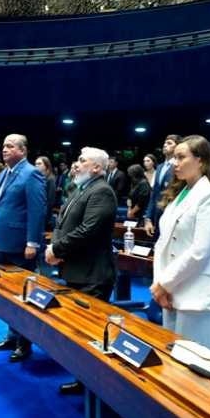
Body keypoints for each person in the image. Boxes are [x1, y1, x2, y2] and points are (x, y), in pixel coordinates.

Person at [45, 147, 117, 395]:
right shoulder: (81, 189)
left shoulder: (102, 191)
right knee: (79, 330)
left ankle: (95, 387)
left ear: (97, 167)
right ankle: (85, 380)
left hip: (93, 274)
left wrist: (57, 249)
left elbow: (88, 230)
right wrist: (55, 248)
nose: (76, 164)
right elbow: (62, 223)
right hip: (77, 270)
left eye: (82, 160)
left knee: (91, 332)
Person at [150, 135, 210, 350]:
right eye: (174, 157)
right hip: (171, 292)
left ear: (200, 160)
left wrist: (164, 283)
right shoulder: (181, 194)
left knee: (193, 363)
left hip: (197, 296)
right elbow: (162, 244)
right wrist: (160, 285)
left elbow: (200, 251)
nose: (175, 163)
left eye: (181, 157)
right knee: (171, 360)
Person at [0, 134, 46, 363]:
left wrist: (32, 242)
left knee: (23, 296)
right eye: (3, 145)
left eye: (10, 146)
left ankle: (25, 343)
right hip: (2, 243)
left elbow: (37, 210)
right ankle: (12, 336)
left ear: (23, 150)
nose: (4, 149)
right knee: (7, 296)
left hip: (20, 246)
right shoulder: (5, 172)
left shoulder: (31, 173)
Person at [144, 134, 183, 237]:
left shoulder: (180, 167)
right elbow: (154, 194)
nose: (165, 145)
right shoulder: (159, 167)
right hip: (156, 217)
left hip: (171, 217)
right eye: (165, 143)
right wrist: (148, 218)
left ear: (178, 147)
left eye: (169, 143)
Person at [35, 156, 56, 229]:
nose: (36, 165)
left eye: (39, 163)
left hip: (44, 217)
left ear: (46, 166)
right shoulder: (39, 178)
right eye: (36, 164)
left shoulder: (50, 179)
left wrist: (45, 218)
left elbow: (50, 201)